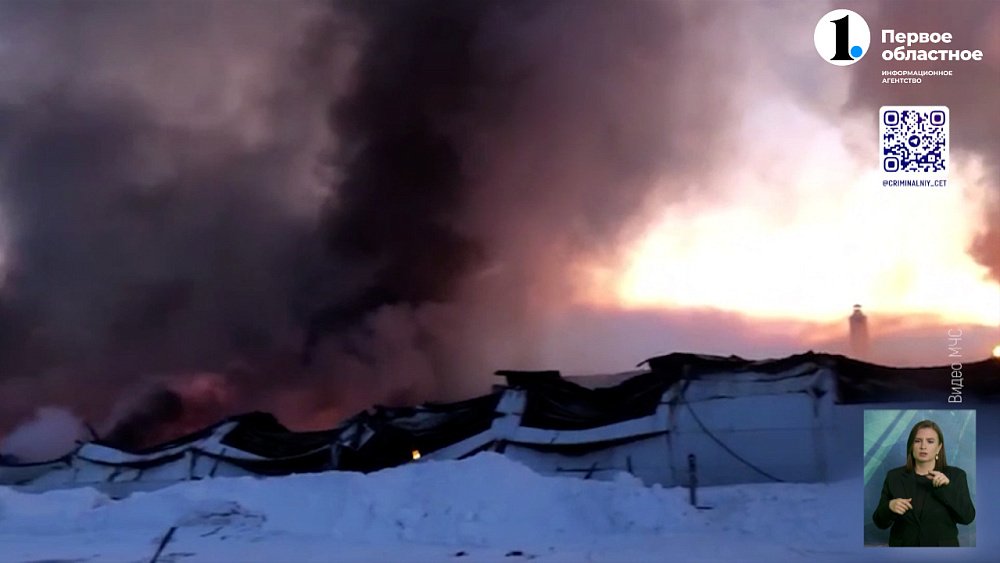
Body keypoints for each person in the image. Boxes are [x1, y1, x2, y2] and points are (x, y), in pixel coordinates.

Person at [872, 419, 976, 546]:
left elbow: (967, 517)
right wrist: (889, 507)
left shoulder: (956, 476)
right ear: (911, 446)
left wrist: (947, 488)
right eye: (917, 441)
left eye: (930, 441)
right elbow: (879, 523)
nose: (923, 446)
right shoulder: (894, 476)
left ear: (939, 448)